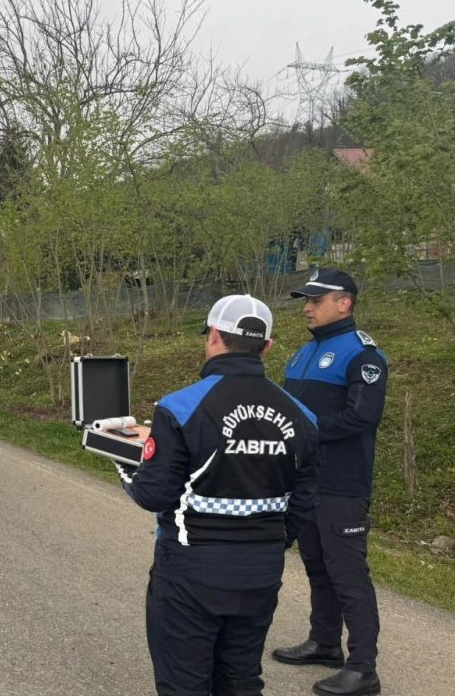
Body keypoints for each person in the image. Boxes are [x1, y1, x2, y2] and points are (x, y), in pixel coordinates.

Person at [118, 294, 318, 696]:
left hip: (190, 570)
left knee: (184, 684)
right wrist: (273, 542)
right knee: (241, 680)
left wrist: (124, 463)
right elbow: (306, 499)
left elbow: (154, 494)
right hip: (261, 570)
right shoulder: (303, 415)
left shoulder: (180, 407)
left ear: (213, 336)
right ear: (267, 347)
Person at [272, 268, 388, 696]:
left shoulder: (363, 354)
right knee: (317, 567)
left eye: (316, 300)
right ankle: (324, 642)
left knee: (348, 575)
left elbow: (362, 417)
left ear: (345, 303)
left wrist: (305, 430)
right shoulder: (301, 353)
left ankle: (364, 668)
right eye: (307, 299)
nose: (307, 306)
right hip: (303, 482)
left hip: (341, 484)